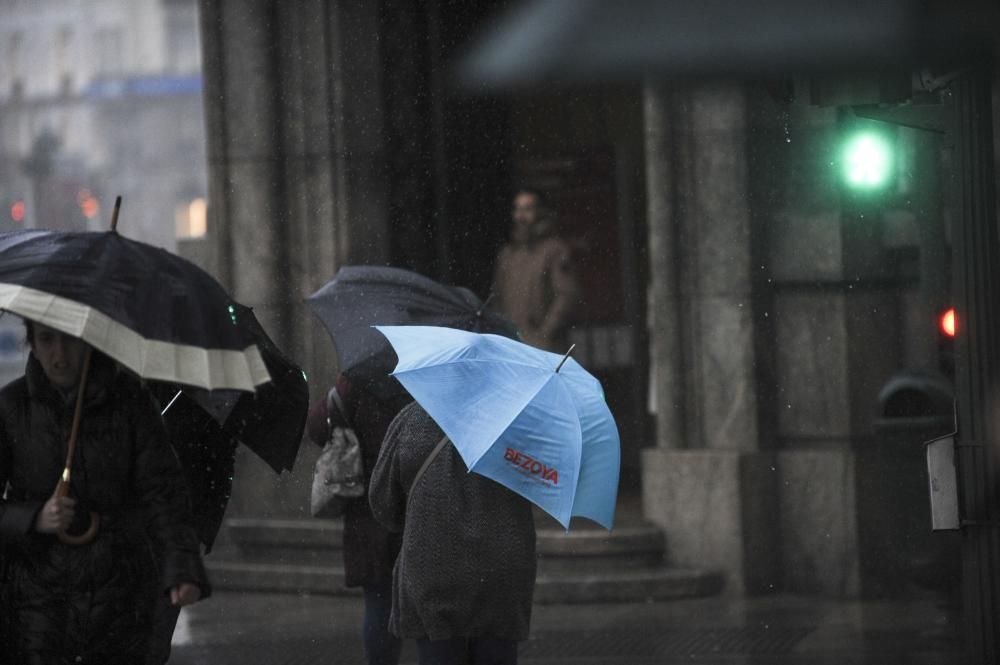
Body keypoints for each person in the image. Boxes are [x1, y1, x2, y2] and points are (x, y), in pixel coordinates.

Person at [0, 321, 209, 664]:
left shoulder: (129, 403)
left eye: (69, 340)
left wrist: (181, 567)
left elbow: (163, 491)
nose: (59, 354)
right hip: (37, 607)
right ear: (33, 345)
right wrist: (35, 517)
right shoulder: (11, 407)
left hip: (120, 595)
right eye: (47, 340)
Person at [369, 402, 537, 665]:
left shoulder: (411, 419)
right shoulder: (517, 419)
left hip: (432, 565)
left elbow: (382, 503)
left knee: (439, 654)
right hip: (500, 569)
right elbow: (540, 483)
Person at [307, 371, 413, 665]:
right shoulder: (427, 377)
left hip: (368, 508)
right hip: (418, 504)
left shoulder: (359, 377)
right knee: (427, 607)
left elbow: (316, 427)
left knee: (379, 603)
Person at [492, 187, 579, 352]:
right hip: (513, 345)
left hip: (545, 347)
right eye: (517, 209)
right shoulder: (508, 254)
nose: (521, 216)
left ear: (541, 212)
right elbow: (497, 299)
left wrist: (545, 334)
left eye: (527, 209)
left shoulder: (554, 250)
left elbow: (566, 296)